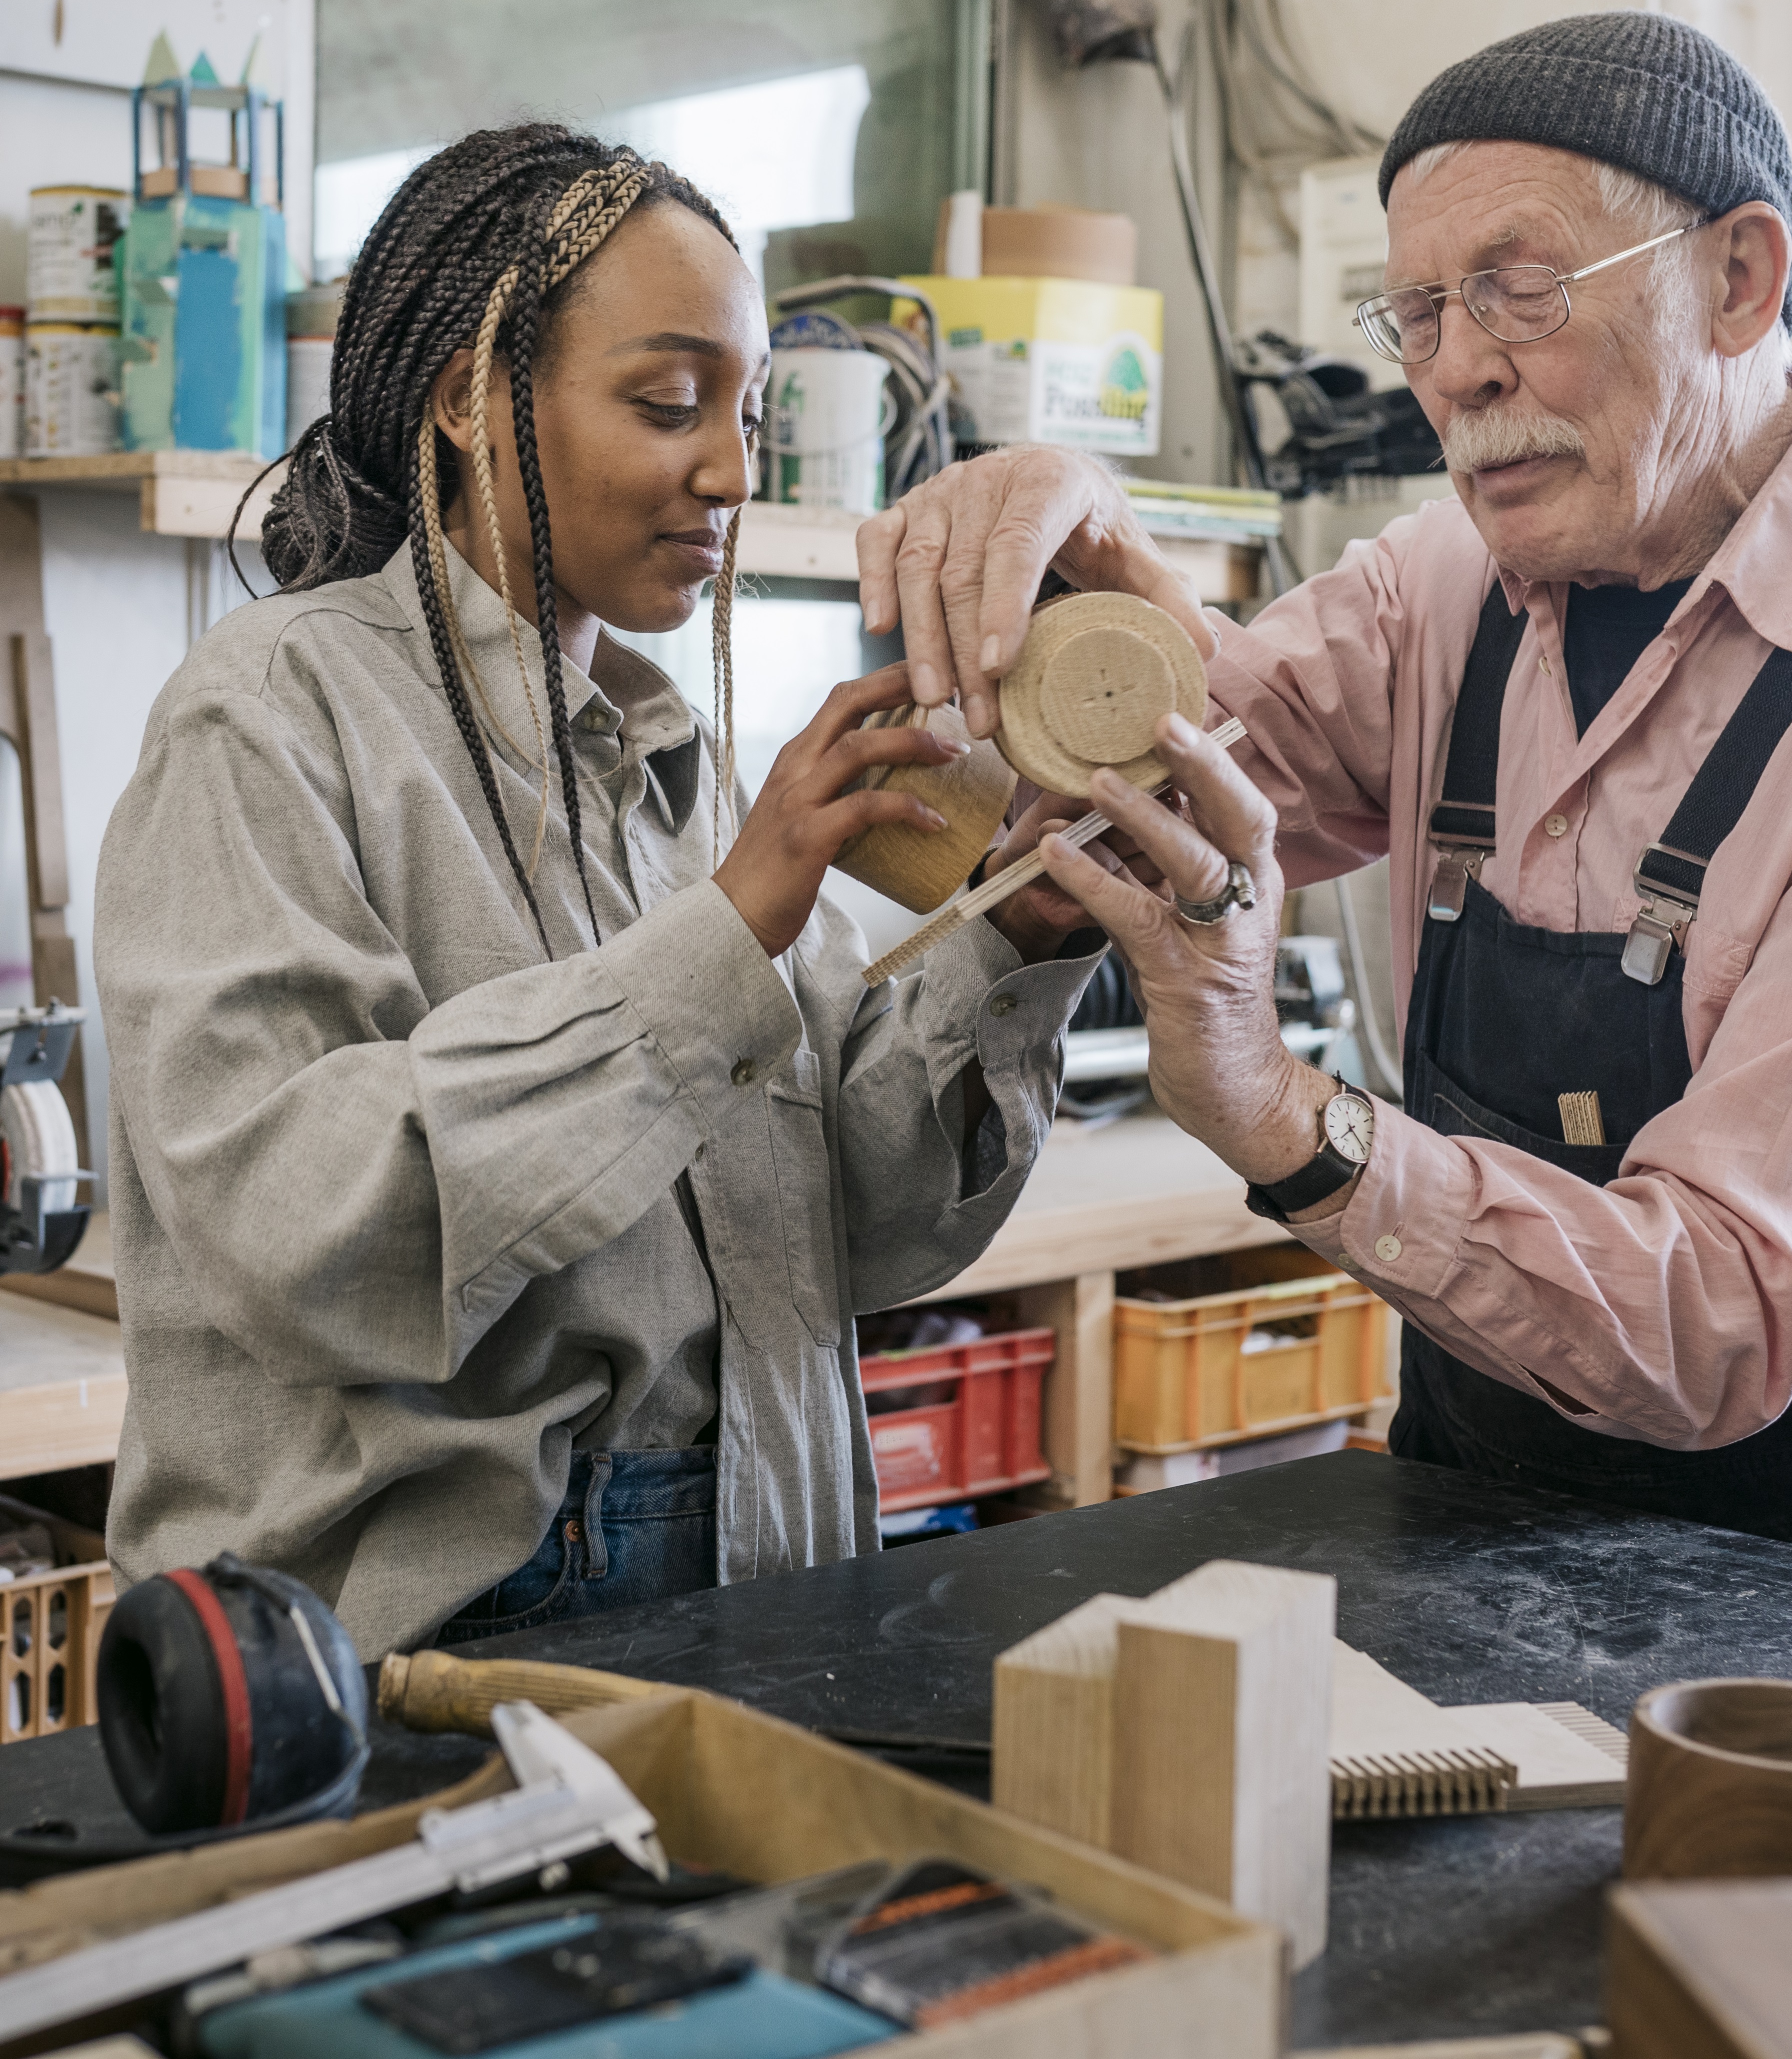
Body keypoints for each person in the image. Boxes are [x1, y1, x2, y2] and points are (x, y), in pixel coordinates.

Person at [857, 13, 1792, 1604]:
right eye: (1415, 312)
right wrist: (1077, 548)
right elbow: (1174, 782)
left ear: (1739, 279)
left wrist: (1280, 1111)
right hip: (1483, 1461)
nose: (1455, 367)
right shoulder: (1442, 588)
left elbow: (1718, 1315)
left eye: (1519, 292)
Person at [96, 126, 1113, 1659]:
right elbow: (296, 1236)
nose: (729, 469)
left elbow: (871, 1225)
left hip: (766, 1543)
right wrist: (729, 935)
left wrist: (1021, 932)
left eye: (752, 412)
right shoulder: (273, 713)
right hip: (443, 1620)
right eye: (665, 402)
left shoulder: (680, 766)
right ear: (464, 396)